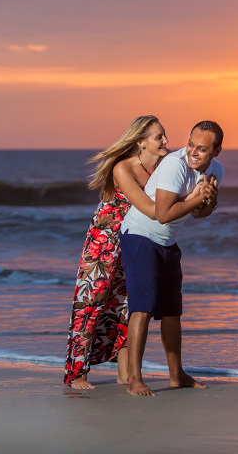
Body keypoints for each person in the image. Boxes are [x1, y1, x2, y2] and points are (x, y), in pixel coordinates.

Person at [64, 115, 171, 389]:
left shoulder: (163, 165)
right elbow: (150, 208)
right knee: (91, 299)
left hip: (136, 238)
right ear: (141, 142)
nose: (165, 141)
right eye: (158, 137)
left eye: (164, 136)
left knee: (126, 303)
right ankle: (77, 373)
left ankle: (125, 372)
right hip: (106, 238)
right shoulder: (122, 168)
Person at [119, 120, 224, 396]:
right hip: (140, 235)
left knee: (172, 311)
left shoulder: (216, 170)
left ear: (217, 151)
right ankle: (134, 379)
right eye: (190, 144)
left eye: (202, 149)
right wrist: (195, 197)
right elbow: (163, 213)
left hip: (167, 242)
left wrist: (209, 202)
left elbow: (199, 212)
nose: (193, 152)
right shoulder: (174, 166)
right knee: (142, 306)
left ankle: (176, 375)